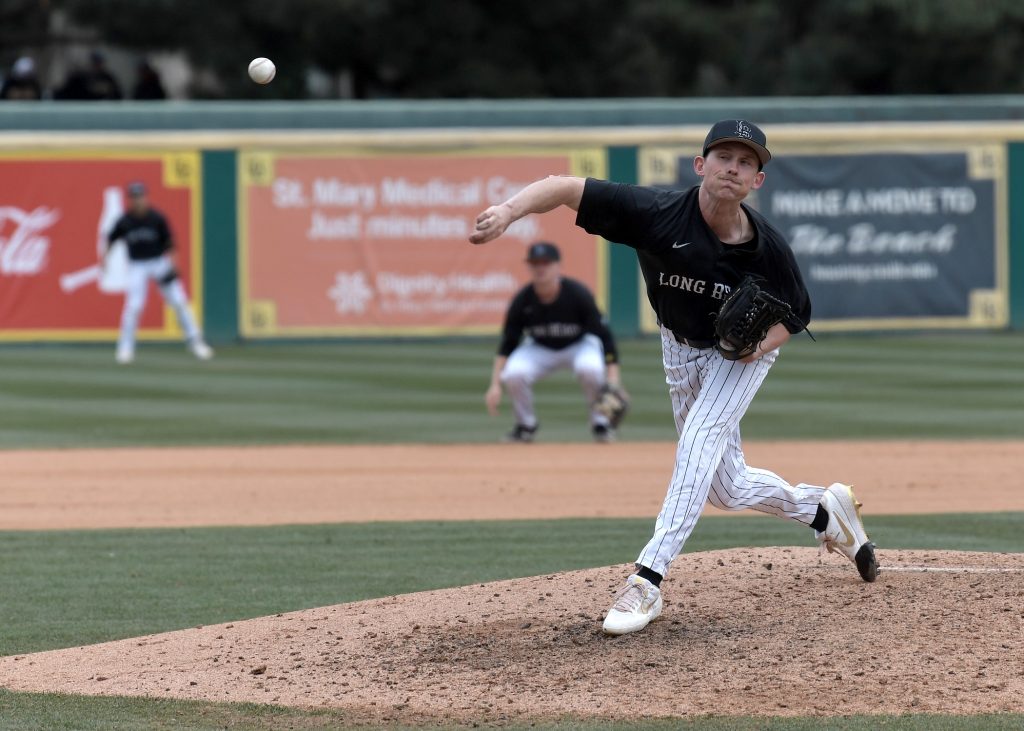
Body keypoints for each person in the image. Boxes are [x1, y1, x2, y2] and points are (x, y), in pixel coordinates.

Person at [469, 119, 877, 636]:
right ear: (700, 166)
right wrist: (508, 211)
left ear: (758, 181)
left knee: (698, 444)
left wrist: (755, 345)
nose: (734, 167)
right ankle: (824, 511)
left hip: (738, 357)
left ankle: (647, 578)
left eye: (746, 162)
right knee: (725, 488)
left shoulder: (768, 249)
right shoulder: (657, 214)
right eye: (724, 157)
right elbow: (565, 189)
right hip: (677, 348)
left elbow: (794, 318)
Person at [486, 241, 622, 443]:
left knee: (591, 368)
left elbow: (605, 337)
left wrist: (613, 380)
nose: (540, 268)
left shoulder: (578, 295)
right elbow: (508, 344)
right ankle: (525, 426)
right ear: (529, 267)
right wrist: (495, 384)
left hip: (579, 345)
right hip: (540, 347)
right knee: (514, 373)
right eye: (535, 263)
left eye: (546, 263)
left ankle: (601, 424)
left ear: (558, 266)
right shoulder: (522, 300)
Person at [105, 182, 213, 364]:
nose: (137, 200)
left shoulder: (157, 218)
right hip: (136, 266)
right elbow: (110, 239)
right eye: (134, 197)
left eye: (140, 196)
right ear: (129, 199)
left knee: (179, 301)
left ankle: (196, 341)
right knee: (134, 307)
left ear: (146, 197)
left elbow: (170, 244)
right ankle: (125, 348)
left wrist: (174, 265)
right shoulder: (124, 221)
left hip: (158, 262)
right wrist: (104, 262)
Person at [56, 51, 122, 100]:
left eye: (99, 63)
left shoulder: (107, 77)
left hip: (101, 109)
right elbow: (67, 93)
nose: (96, 66)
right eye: (95, 63)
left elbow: (118, 95)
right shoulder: (79, 77)